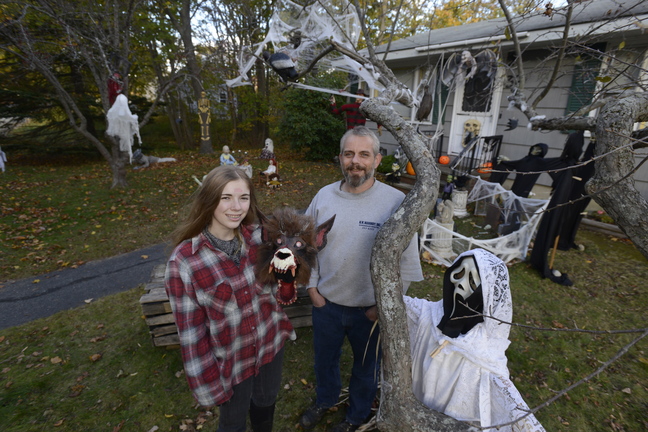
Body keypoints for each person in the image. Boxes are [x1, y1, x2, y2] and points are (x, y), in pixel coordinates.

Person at [299, 126, 423, 432]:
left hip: (369, 310)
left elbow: (406, 261)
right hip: (326, 303)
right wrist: (312, 287)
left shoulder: (396, 202)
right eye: (349, 154)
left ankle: (357, 416)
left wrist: (383, 306)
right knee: (324, 361)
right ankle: (326, 399)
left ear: (378, 160)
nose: (356, 161)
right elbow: (306, 246)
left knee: (366, 368)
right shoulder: (323, 196)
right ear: (340, 158)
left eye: (364, 154)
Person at [165, 165, 295, 432]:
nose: (236, 207)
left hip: (270, 343)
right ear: (209, 200)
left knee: (266, 403)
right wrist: (208, 386)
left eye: (243, 198)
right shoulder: (185, 262)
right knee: (233, 421)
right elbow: (191, 334)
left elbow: (282, 287)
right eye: (226, 198)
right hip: (231, 361)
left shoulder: (261, 238)